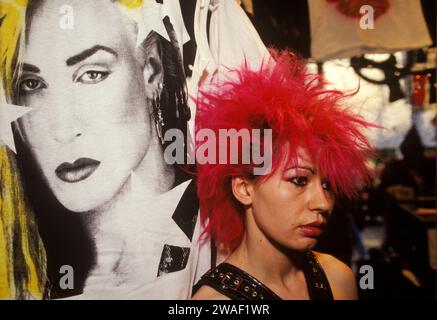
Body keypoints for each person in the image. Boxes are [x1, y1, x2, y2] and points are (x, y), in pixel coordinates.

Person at [1, 0, 207, 299]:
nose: (62, 129)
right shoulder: (24, 262)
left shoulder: (229, 229)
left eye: (92, 74)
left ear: (151, 69)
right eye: (31, 84)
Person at [192, 51, 376, 300]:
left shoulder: (338, 278)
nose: (322, 203)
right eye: (299, 180)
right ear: (245, 188)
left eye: (328, 185)